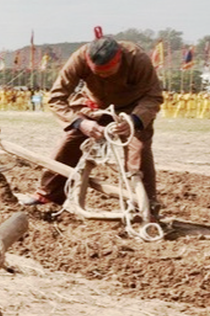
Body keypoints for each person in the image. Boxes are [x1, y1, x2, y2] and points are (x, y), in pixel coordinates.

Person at [22, 34, 163, 215]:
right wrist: (80, 123)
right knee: (70, 140)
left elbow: (154, 96)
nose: (103, 76)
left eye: (108, 72)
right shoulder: (79, 58)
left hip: (133, 109)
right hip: (94, 106)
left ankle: (145, 205)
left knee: (139, 150)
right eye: (98, 73)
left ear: (119, 60)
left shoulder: (138, 59)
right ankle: (48, 195)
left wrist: (134, 120)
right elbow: (56, 98)